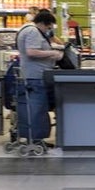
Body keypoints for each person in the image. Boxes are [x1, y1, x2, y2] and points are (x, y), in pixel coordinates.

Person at [15, 10, 62, 145]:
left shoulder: (28, 29)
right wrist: (52, 53)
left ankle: (36, 139)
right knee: (37, 109)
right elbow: (31, 52)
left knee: (37, 109)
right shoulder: (33, 32)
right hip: (35, 76)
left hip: (34, 75)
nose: (48, 30)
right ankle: (36, 141)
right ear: (42, 23)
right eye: (48, 27)